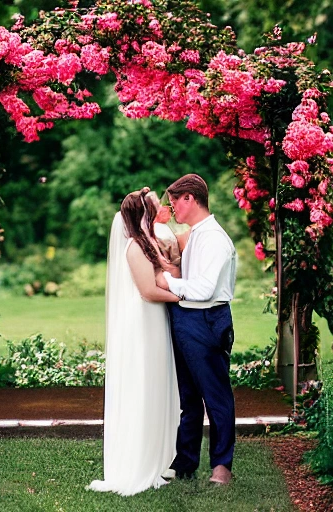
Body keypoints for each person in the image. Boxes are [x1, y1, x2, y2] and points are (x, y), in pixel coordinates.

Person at [87, 187, 181, 496]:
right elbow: (148, 291)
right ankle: (140, 464)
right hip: (144, 322)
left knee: (156, 385)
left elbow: (164, 275)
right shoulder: (135, 248)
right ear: (143, 212)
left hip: (154, 320)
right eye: (153, 205)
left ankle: (158, 458)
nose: (160, 208)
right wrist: (184, 296)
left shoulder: (149, 243)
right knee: (143, 386)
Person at [157, 173, 237, 485]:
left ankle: (222, 467)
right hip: (186, 318)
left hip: (207, 319)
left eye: (175, 199)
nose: (173, 206)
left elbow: (204, 289)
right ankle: (186, 462)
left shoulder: (215, 238)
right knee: (188, 398)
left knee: (215, 396)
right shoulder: (195, 233)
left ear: (190, 198)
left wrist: (168, 283)